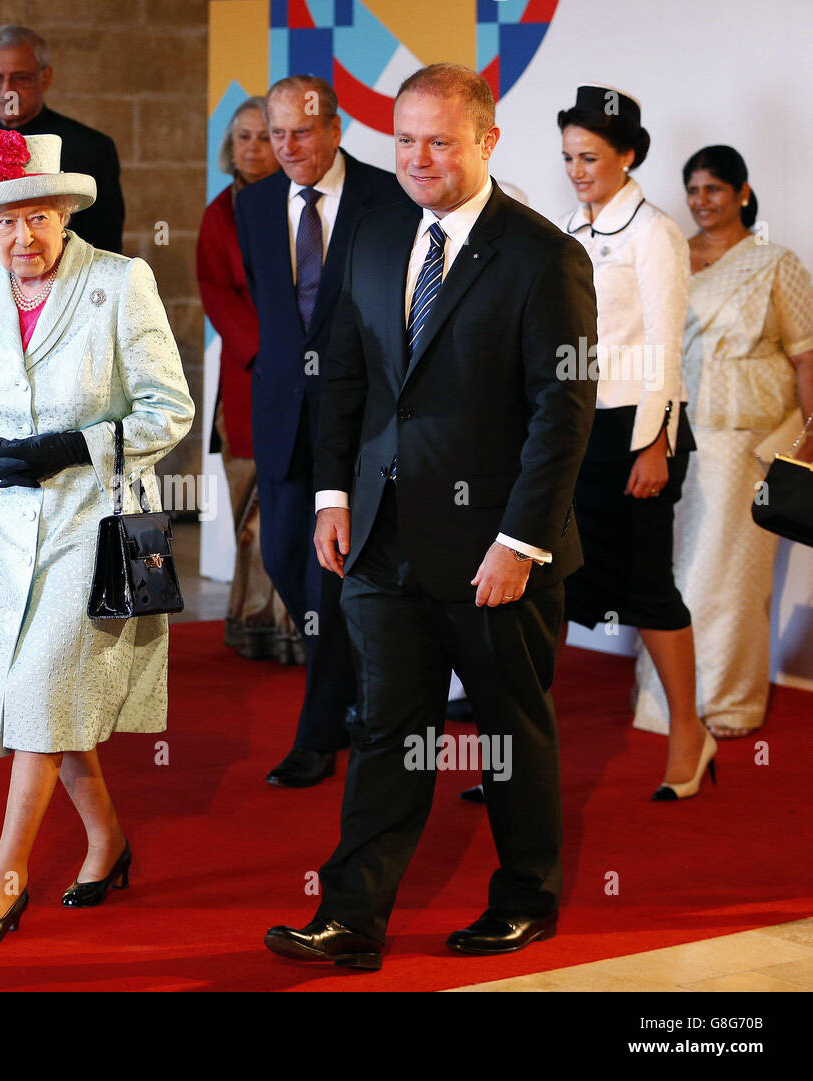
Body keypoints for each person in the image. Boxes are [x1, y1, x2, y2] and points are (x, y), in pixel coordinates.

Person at [264, 63, 597, 969]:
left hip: (496, 551)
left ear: (488, 141)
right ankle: (351, 916)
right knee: (385, 729)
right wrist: (334, 494)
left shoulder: (543, 256)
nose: (418, 157)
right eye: (404, 138)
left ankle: (527, 898)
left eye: (440, 140)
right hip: (380, 538)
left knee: (508, 731)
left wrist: (520, 541)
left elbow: (561, 412)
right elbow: (344, 374)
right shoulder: (371, 237)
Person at [0, 130, 194, 945]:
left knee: (38, 691)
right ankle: (108, 842)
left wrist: (73, 445)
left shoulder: (120, 281)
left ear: (66, 211)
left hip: (95, 521)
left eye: (39, 217)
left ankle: (3, 877)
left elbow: (170, 408)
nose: (24, 238)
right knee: (43, 698)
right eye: (6, 224)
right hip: (6, 526)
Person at [235, 75, 405, 787]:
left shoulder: (388, 198)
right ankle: (368, 681)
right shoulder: (254, 204)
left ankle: (317, 735)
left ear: (335, 129)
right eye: (276, 134)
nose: (288, 146)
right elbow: (269, 310)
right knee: (281, 557)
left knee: (333, 577)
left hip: (358, 420)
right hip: (280, 414)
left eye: (301, 133)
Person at [556, 85, 712, 801]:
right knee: (549, 588)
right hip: (575, 430)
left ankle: (689, 731)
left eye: (589, 156)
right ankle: (524, 754)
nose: (577, 170)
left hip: (635, 430)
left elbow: (666, 347)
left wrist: (656, 445)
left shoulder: (655, 233)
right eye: (568, 157)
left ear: (628, 155)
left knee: (648, 589)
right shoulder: (573, 231)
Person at [633, 146, 813, 739]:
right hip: (670, 437)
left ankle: (725, 705)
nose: (701, 201)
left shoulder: (775, 263)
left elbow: (806, 359)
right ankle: (667, 704)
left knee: (728, 578)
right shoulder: (671, 256)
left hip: (746, 445)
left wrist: (811, 439)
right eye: (692, 189)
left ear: (742, 192)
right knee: (670, 574)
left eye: (713, 188)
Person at [196, 97, 298, 663]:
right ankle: (254, 618)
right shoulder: (220, 214)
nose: (254, 148)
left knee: (295, 511)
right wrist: (269, 349)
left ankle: (298, 626)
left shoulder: (301, 203)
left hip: (305, 375)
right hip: (250, 376)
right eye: (243, 137)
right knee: (250, 521)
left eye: (265, 136)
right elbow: (216, 290)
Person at [0, 25, 125, 265]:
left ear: (44, 78)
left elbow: (106, 245)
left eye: (20, 77)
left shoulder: (92, 147)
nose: (7, 90)